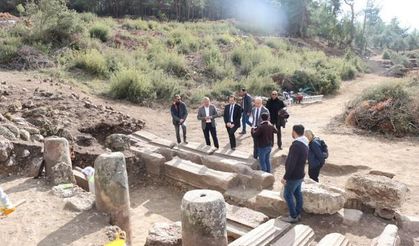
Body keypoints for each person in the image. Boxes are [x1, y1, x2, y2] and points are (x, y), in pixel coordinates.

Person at [281, 125, 309, 223]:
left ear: (294, 132)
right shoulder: (305, 142)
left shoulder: (296, 145)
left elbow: (292, 163)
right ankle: (297, 213)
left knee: (287, 194)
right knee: (297, 193)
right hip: (300, 174)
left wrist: (285, 177)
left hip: (294, 176)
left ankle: (293, 216)